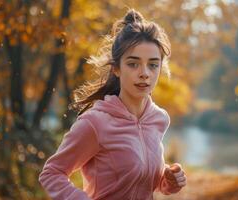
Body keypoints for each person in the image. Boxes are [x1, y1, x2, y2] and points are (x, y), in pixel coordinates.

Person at [39, 9, 187, 200]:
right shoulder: (95, 123)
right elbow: (51, 173)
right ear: (116, 68)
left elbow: (143, 179)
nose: (144, 73)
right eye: (133, 64)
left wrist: (168, 180)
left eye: (153, 64)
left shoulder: (159, 119)